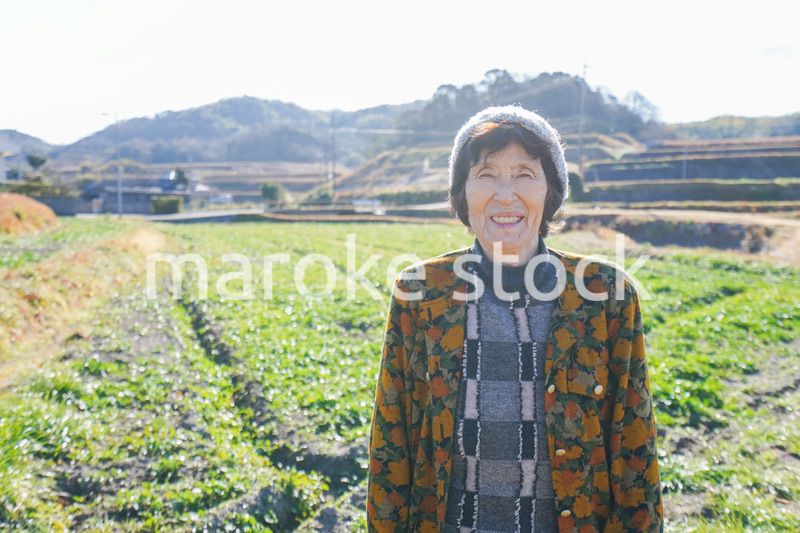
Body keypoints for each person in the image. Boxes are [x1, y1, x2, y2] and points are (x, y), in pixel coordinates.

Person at [367, 105, 663, 532]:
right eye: (486, 175)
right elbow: (391, 447)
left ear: (551, 192)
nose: (505, 194)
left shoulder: (604, 295)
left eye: (525, 174)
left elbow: (635, 451)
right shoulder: (421, 293)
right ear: (463, 193)